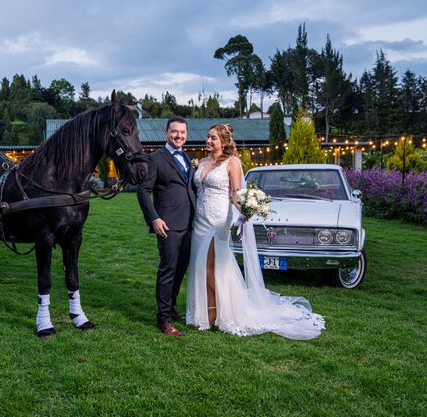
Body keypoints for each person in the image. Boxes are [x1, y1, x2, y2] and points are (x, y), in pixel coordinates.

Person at [186, 124, 325, 339]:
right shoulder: (201, 162)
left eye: (213, 138)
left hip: (219, 221)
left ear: (224, 141)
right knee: (199, 266)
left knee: (209, 266)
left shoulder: (232, 163)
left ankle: (223, 310)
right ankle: (207, 314)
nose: (209, 141)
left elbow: (235, 193)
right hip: (200, 221)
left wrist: (246, 208)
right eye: (208, 137)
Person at [137, 117, 197, 337]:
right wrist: (154, 218)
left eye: (182, 132)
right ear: (166, 133)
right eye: (174, 132)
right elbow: (143, 191)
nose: (178, 136)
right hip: (168, 225)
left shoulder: (189, 159)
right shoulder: (155, 159)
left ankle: (171, 309)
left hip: (190, 224)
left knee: (180, 271)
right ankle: (162, 320)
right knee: (168, 271)